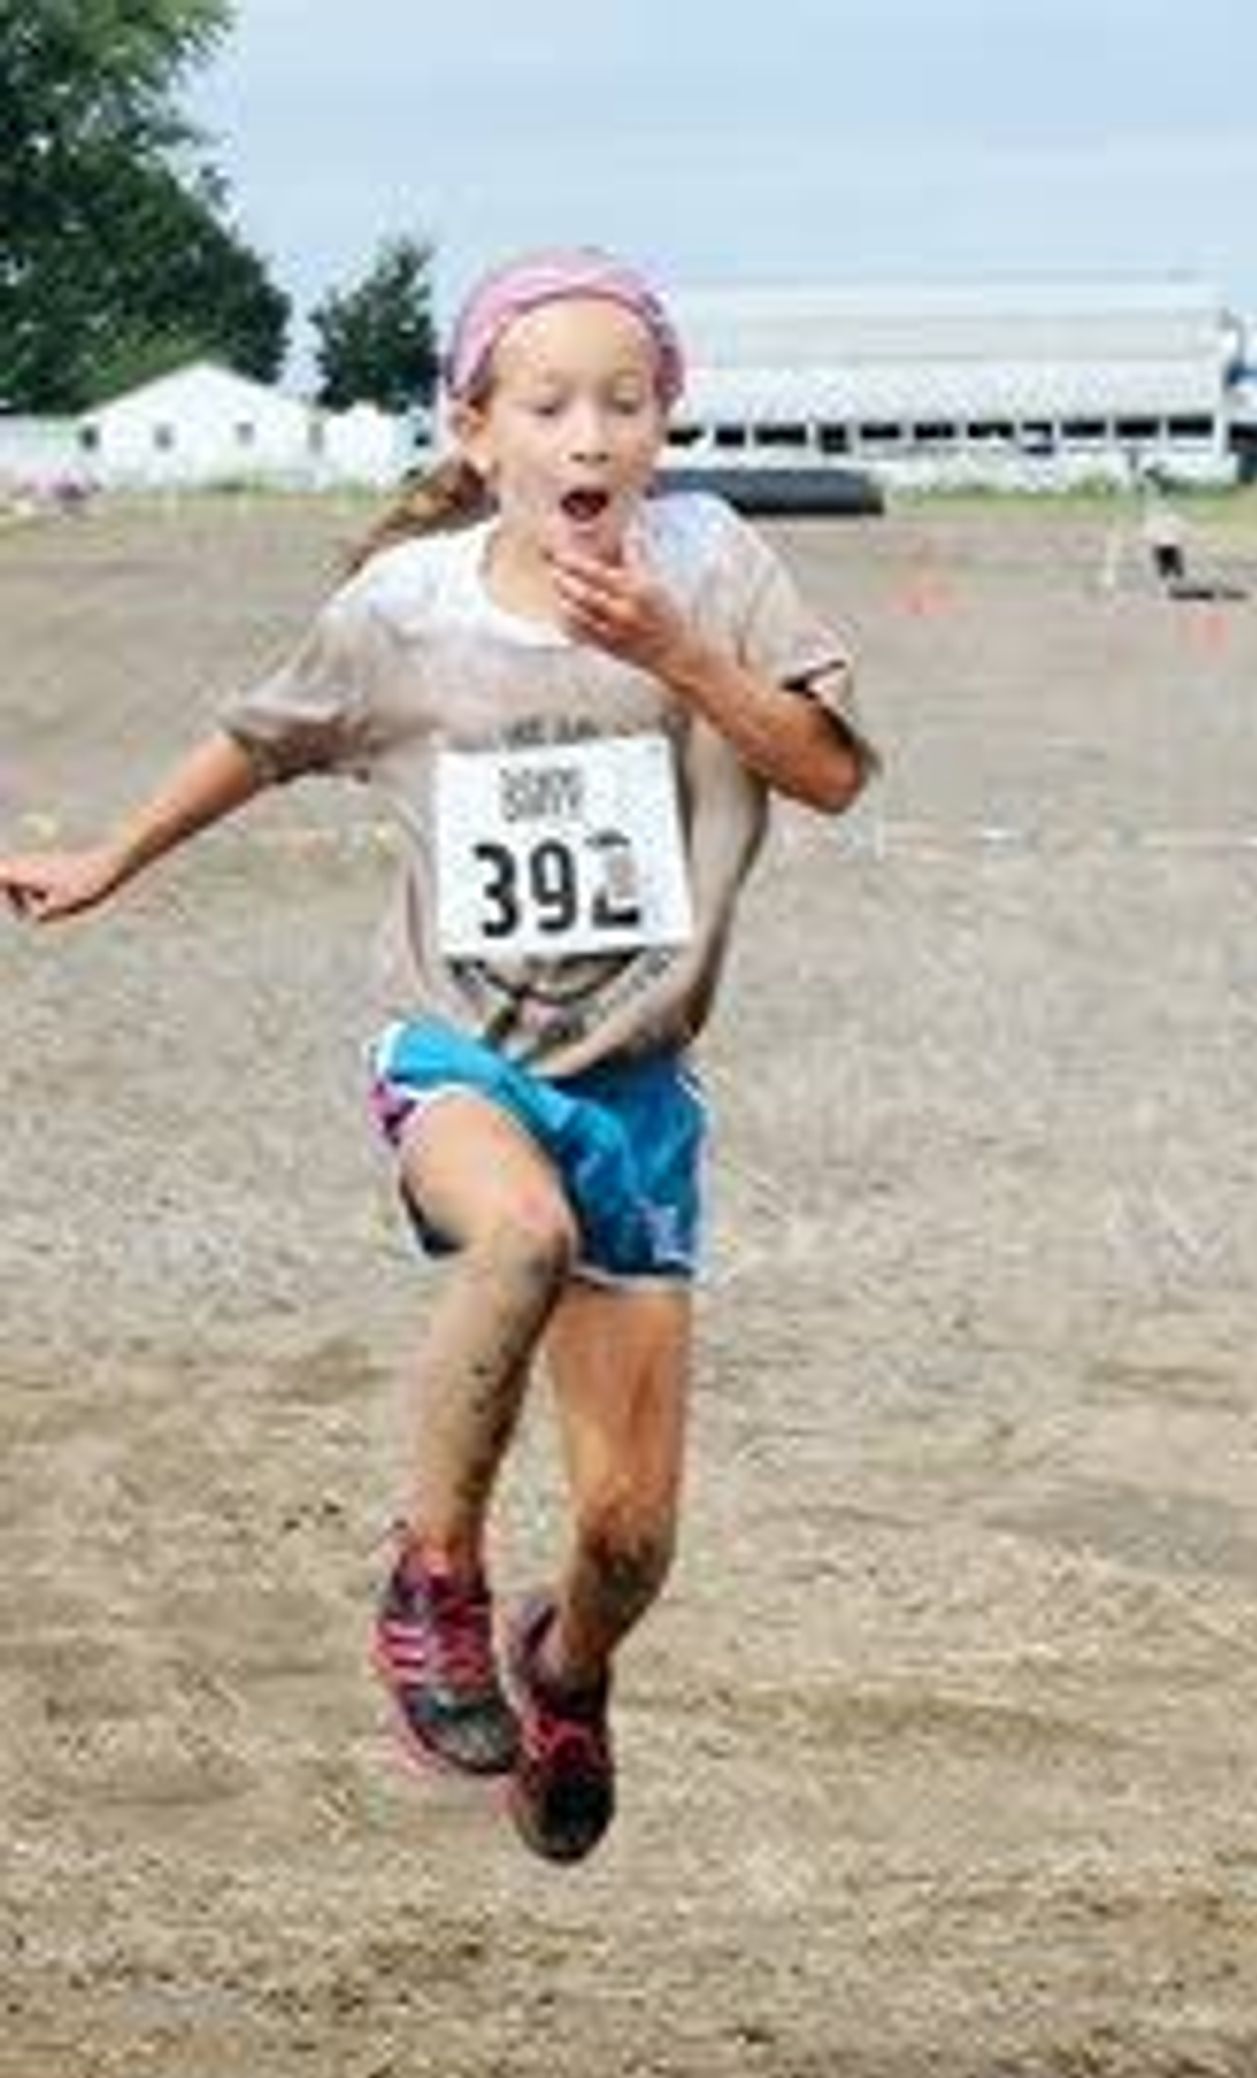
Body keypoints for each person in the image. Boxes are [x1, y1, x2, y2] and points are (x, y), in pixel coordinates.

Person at [0, 248, 873, 1859]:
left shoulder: (715, 562)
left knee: (629, 1539)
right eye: (548, 405)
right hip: (454, 1054)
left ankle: (565, 1665)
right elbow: (266, 741)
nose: (588, 435)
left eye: (624, 401)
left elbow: (827, 773)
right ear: (478, 434)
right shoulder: (405, 609)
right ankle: (437, 1577)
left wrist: (681, 654)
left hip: (637, 1088)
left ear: (667, 424)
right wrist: (109, 857)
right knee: (517, 1229)